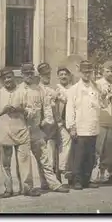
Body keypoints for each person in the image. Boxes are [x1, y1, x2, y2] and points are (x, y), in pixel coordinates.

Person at [0, 67, 39, 197]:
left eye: (9, 77)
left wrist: (21, 110)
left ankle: (27, 187)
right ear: (1, 80)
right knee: (5, 163)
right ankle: (8, 189)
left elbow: (32, 111)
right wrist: (2, 110)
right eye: (5, 78)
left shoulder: (23, 92)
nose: (7, 80)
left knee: (24, 160)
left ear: (14, 77)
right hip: (4, 131)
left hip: (21, 130)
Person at [20, 63, 69, 193]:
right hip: (22, 129)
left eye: (31, 73)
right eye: (26, 73)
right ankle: (27, 188)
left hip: (36, 129)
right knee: (25, 160)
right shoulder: (18, 90)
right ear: (22, 74)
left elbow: (47, 107)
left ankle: (53, 184)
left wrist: (46, 121)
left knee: (44, 157)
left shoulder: (38, 90)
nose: (29, 76)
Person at [66, 60, 106, 190]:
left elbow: (101, 104)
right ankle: (76, 180)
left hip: (92, 126)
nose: (87, 74)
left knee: (90, 156)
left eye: (89, 72)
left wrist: (103, 96)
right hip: (80, 127)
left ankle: (86, 180)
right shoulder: (74, 89)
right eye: (84, 72)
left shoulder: (95, 88)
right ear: (80, 72)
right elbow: (70, 109)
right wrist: (72, 126)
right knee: (79, 156)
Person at [95, 61, 112, 184]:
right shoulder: (97, 84)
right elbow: (96, 102)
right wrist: (105, 96)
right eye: (107, 71)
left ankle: (106, 173)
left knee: (109, 149)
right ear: (102, 71)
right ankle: (95, 173)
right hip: (101, 119)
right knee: (98, 147)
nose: (110, 73)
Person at [37, 63, 61, 183]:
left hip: (52, 126)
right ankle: (44, 181)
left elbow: (56, 108)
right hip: (41, 126)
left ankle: (53, 179)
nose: (48, 76)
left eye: (49, 74)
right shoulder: (37, 90)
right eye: (45, 74)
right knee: (43, 155)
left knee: (52, 153)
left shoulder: (53, 90)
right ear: (40, 75)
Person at [55, 65, 74, 186]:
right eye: (61, 75)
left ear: (69, 76)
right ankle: (61, 170)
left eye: (65, 74)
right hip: (61, 122)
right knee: (64, 145)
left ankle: (71, 173)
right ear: (58, 77)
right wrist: (58, 121)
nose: (63, 76)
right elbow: (54, 108)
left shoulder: (72, 89)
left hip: (72, 122)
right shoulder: (56, 90)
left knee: (73, 148)